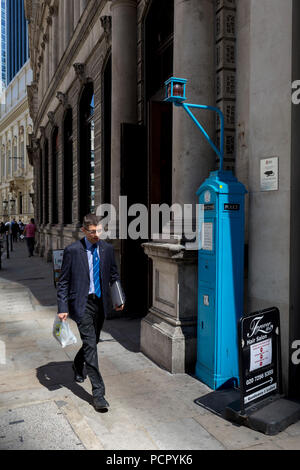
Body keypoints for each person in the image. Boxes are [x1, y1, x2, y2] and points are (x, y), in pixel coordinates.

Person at [56, 214, 124, 411]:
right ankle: (98, 393)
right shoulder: (72, 251)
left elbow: (113, 275)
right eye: (92, 232)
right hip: (81, 303)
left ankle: (77, 365)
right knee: (91, 346)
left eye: (99, 231)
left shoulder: (107, 249)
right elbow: (63, 282)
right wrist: (63, 308)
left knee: (91, 342)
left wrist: (119, 298)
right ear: (84, 231)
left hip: (100, 303)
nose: (96, 235)